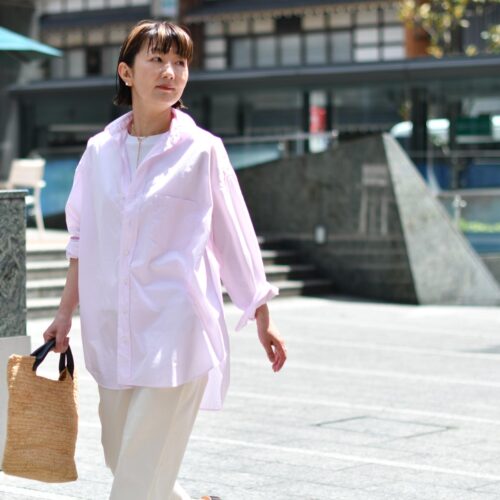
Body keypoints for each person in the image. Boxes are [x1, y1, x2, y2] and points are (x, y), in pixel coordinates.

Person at [42, 19, 286, 500]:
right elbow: (81, 239)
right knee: (121, 457)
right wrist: (64, 312)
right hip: (112, 331)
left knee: (135, 482)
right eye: (156, 60)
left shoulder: (203, 152)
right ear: (126, 73)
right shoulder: (98, 152)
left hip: (177, 332)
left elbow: (234, 236)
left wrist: (260, 311)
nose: (170, 72)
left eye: (180, 62)